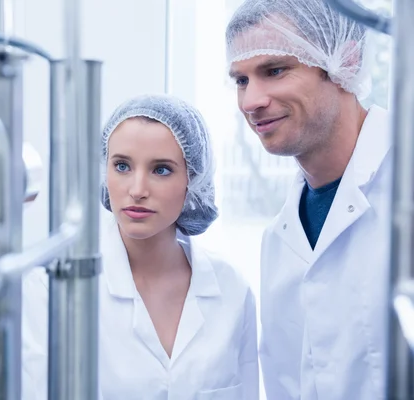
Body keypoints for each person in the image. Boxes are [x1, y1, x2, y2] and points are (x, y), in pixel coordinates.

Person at [22, 94, 259, 399]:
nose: (137, 190)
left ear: (194, 179)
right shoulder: (50, 286)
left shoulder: (232, 289)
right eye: (122, 166)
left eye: (161, 169)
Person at [225, 1, 391, 399]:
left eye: (275, 70)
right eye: (241, 80)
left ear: (343, 62)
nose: (251, 101)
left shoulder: (403, 188)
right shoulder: (280, 240)